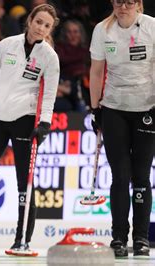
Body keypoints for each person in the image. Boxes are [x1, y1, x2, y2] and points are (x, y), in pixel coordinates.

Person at [0, 4, 60, 253]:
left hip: (26, 119)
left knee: (25, 182)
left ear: (50, 29)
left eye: (47, 25)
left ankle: (23, 238)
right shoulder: (6, 44)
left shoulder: (49, 57)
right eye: (38, 22)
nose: (41, 28)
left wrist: (44, 123)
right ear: (30, 20)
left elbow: (50, 93)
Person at [89, 0, 155, 257]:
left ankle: (140, 238)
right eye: (118, 2)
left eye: (129, 2)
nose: (123, 7)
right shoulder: (102, 30)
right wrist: (95, 109)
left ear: (138, 4)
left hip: (146, 109)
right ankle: (118, 237)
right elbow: (96, 72)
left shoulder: (151, 27)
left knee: (141, 176)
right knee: (120, 176)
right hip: (114, 108)